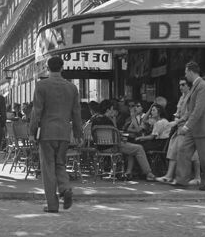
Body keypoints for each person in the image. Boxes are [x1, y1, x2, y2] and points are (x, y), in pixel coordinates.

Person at [30, 56, 83, 213]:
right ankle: (65, 188)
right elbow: (76, 113)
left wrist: (32, 132)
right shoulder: (72, 88)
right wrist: (79, 134)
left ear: (47, 68)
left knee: (48, 168)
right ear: (62, 68)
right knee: (60, 164)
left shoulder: (41, 85)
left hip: (47, 133)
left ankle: (52, 205)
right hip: (64, 133)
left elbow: (36, 111)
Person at [174, 61, 205, 191]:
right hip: (194, 128)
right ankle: (181, 180)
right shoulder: (196, 85)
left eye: (186, 72)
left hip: (202, 129)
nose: (185, 75)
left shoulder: (202, 86)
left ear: (191, 72)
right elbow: (191, 109)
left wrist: (186, 126)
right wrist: (184, 122)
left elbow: (198, 110)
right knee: (183, 151)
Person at [91, 99, 155, 181]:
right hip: (113, 147)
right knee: (139, 148)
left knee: (132, 148)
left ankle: (128, 172)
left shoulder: (95, 120)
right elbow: (116, 135)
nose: (113, 111)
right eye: (111, 109)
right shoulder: (108, 120)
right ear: (108, 110)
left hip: (100, 148)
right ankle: (148, 173)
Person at [156, 77, 201, 185]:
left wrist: (176, 122)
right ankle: (169, 175)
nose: (180, 87)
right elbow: (179, 112)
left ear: (189, 86)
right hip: (180, 127)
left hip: (189, 127)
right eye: (180, 85)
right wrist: (176, 119)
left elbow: (188, 113)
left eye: (183, 84)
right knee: (174, 150)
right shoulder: (182, 97)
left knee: (192, 153)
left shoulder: (191, 97)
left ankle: (196, 177)